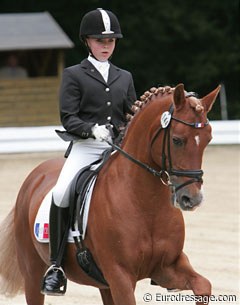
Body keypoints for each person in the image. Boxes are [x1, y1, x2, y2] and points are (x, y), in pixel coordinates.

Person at [41, 8, 136, 296]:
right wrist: (90, 130)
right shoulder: (74, 75)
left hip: (117, 149)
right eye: (99, 40)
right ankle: (56, 266)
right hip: (85, 147)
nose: (106, 46)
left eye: (111, 40)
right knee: (60, 193)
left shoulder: (125, 76)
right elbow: (68, 117)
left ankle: (155, 257)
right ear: (87, 41)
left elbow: (132, 115)